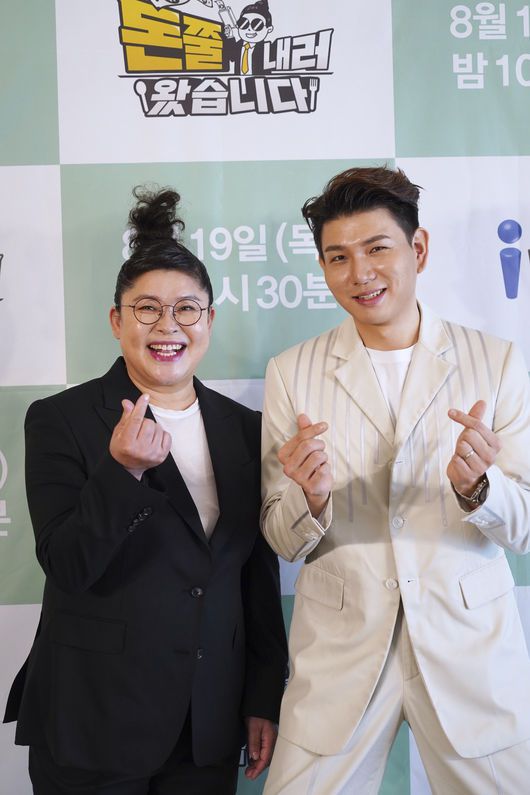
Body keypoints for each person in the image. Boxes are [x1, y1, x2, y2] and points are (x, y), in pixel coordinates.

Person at [4, 187, 287, 795]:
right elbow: (67, 563)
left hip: (207, 722)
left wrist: (263, 694)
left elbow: (254, 576)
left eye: (187, 309)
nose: (168, 326)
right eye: (147, 309)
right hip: (93, 718)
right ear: (116, 321)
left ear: (209, 320)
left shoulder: (246, 428)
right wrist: (122, 474)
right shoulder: (61, 420)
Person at [260, 166, 530, 794]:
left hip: (468, 653)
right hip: (341, 653)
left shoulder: (496, 361)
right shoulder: (292, 372)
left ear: (419, 249)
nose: (360, 272)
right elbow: (280, 536)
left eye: (377, 248)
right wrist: (311, 500)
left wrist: (479, 489)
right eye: (338, 257)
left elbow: (525, 527)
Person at [223, 0, 274, 75]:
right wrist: (230, 37)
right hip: (239, 81)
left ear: (269, 29)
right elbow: (231, 57)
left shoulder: (267, 49)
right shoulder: (238, 45)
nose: (249, 29)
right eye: (244, 23)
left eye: (257, 25)